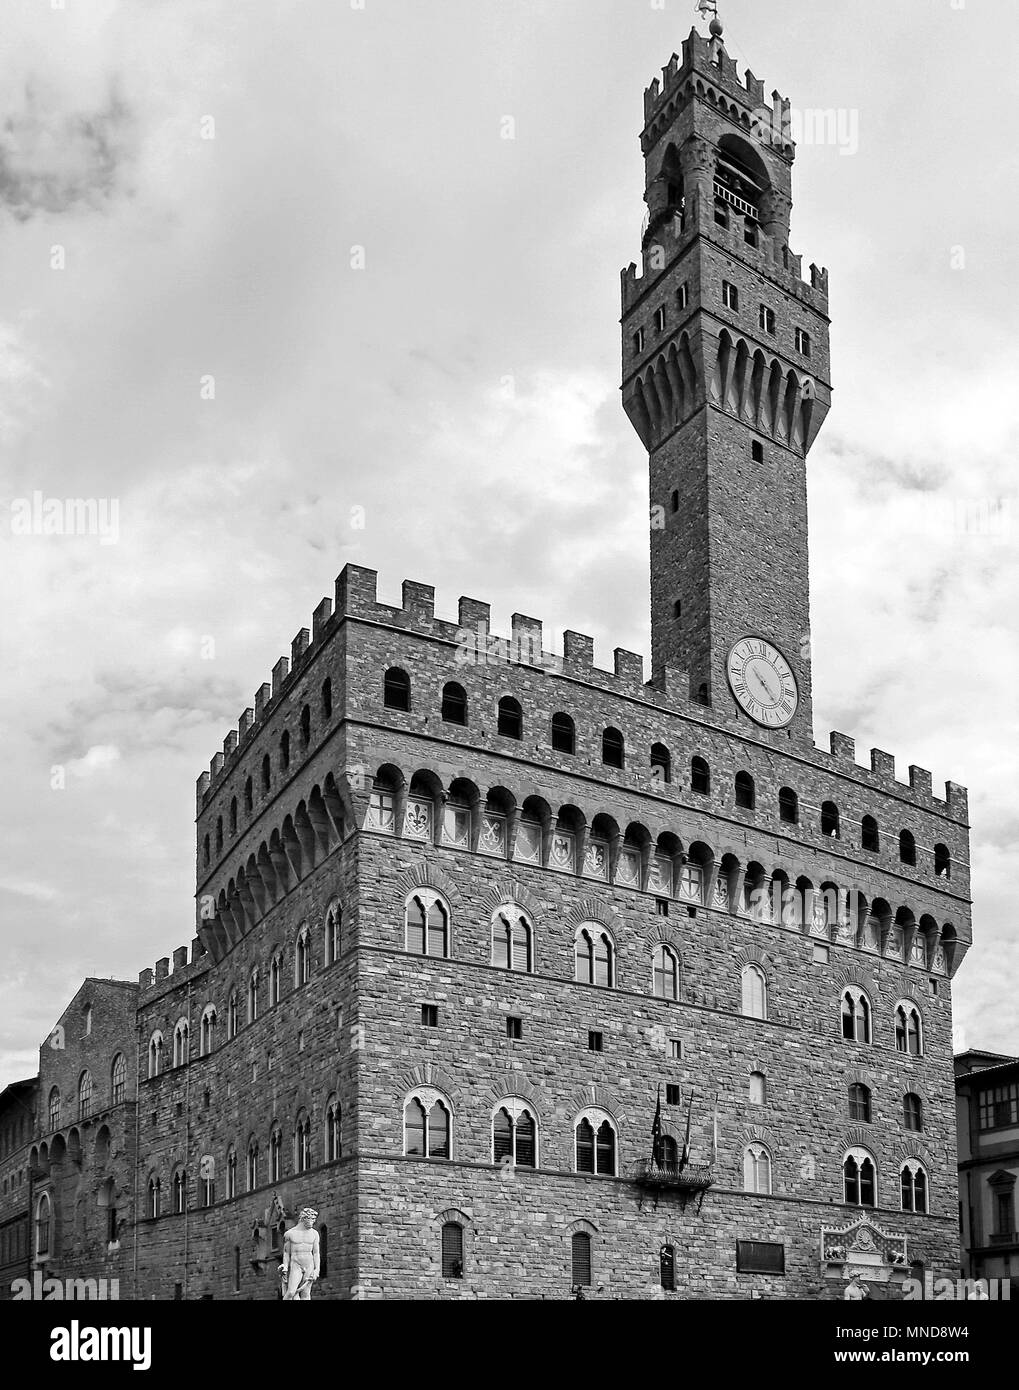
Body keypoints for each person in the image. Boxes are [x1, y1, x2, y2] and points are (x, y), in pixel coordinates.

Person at [279, 1208, 320, 1300]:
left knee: (306, 1293)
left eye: (314, 1220)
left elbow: (316, 1253)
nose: (313, 1222)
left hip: (309, 1264)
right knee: (291, 1292)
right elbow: (286, 1253)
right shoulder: (290, 1234)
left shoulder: (314, 1234)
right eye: (311, 1219)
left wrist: (317, 1269)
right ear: (303, 1218)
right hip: (296, 1264)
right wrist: (285, 1266)